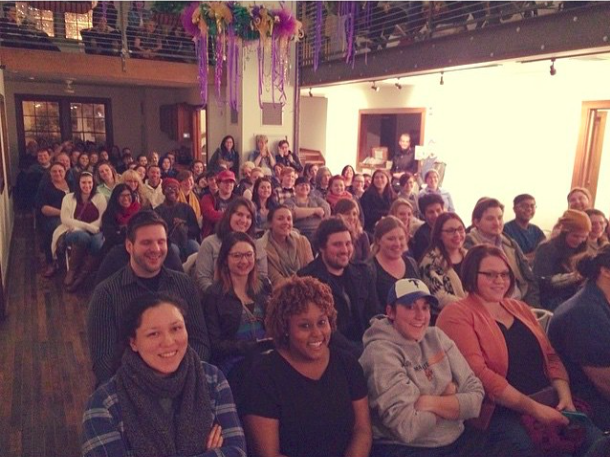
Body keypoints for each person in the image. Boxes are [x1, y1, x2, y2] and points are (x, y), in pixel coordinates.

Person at [437, 245, 601, 457]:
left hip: (547, 399)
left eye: (504, 274)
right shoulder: (455, 314)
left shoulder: (519, 308)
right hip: (500, 411)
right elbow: (479, 374)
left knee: (595, 440)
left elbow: (550, 356)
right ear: (471, 274)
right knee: (529, 449)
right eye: (490, 274)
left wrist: (565, 398)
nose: (499, 280)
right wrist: (535, 409)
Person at [81, 293, 247, 457]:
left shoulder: (212, 379)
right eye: (153, 333)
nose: (168, 342)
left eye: (176, 328)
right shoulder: (103, 405)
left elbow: (237, 451)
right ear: (133, 342)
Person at [242, 276, 372, 457]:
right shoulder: (263, 377)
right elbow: (268, 454)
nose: (317, 333)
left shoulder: (348, 364)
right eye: (305, 326)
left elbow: (362, 430)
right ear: (285, 328)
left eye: (322, 322)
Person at [360, 279, 486, 457]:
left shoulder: (436, 336)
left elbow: (476, 398)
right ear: (390, 312)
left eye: (425, 307)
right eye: (410, 307)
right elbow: (407, 427)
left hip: (457, 439)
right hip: (408, 448)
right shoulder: (379, 353)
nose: (420, 315)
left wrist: (430, 402)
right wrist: (450, 396)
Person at [87, 210, 210, 386]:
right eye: (146, 242)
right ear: (129, 246)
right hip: (129, 388)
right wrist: (152, 384)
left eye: (161, 242)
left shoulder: (184, 285)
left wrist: (178, 376)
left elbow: (200, 341)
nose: (156, 249)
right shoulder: (106, 294)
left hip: (183, 381)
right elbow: (104, 362)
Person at [548, 246, 610, 430]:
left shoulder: (600, 300)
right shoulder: (583, 313)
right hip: (589, 402)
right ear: (606, 271)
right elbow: (605, 383)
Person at [298, 218, 379, 357]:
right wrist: (359, 353)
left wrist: (375, 344)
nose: (345, 250)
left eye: (348, 243)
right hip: (331, 351)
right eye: (337, 244)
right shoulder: (307, 279)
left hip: (367, 345)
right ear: (321, 247)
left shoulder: (364, 272)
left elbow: (374, 314)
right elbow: (323, 329)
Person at [203, 232, 271, 383]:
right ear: (225, 260)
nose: (244, 261)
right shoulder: (213, 295)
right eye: (237, 256)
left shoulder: (263, 286)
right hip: (234, 362)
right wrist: (249, 347)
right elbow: (215, 345)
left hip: (264, 355)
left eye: (248, 255)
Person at [464, 198, 540, 307]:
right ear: (476, 222)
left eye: (500, 218)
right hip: (493, 307)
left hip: (521, 302)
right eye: (490, 219)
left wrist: (532, 306)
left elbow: (529, 277)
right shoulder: (469, 247)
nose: (497, 223)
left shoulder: (509, 243)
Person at [195, 197, 268, 293]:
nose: (243, 220)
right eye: (239, 214)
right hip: (218, 297)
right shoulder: (210, 243)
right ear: (229, 215)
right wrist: (223, 296)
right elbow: (203, 279)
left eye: (248, 217)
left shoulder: (257, 246)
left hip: (250, 296)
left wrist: (245, 295)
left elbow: (262, 277)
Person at [52, 171, 107, 292]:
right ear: (78, 183)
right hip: (73, 231)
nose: (87, 185)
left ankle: (82, 276)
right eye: (84, 182)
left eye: (90, 182)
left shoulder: (99, 197)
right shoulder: (68, 198)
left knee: (98, 244)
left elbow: (102, 218)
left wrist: (89, 228)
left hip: (96, 230)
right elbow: (65, 219)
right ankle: (72, 271)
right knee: (82, 237)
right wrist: (86, 227)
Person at [533, 209, 590, 310]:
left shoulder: (583, 247)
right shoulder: (547, 248)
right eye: (575, 236)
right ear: (564, 232)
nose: (580, 240)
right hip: (552, 298)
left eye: (584, 237)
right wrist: (571, 278)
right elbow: (539, 281)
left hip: (575, 295)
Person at [419, 212, 467, 314]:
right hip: (447, 315)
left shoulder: (469, 255)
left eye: (460, 229)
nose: (457, 235)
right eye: (450, 231)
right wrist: (471, 305)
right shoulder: (431, 261)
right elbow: (439, 298)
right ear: (439, 235)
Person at [367, 216, 420, 308]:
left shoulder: (412, 263)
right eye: (391, 239)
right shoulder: (369, 268)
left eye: (401, 238)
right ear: (378, 241)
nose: (397, 244)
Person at [262, 205, 313, 286]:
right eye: (280, 219)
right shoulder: (263, 248)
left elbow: (312, 272)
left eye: (289, 219)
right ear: (270, 223)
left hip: (307, 288)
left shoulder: (303, 241)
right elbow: (277, 280)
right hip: (280, 291)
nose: (286, 222)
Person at [36, 161, 70, 278]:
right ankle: (51, 262)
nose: (57, 173)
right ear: (50, 173)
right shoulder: (45, 187)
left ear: (65, 171)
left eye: (60, 171)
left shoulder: (72, 183)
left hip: (74, 215)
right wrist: (62, 213)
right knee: (51, 230)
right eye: (54, 171)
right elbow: (44, 208)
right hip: (54, 216)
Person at [155, 178, 200, 262]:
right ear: (163, 191)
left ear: (179, 191)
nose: (172, 191)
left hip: (187, 240)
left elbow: (196, 230)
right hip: (169, 242)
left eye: (175, 188)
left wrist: (184, 226)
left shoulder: (187, 208)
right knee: (173, 250)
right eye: (169, 188)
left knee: (195, 247)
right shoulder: (158, 211)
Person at [284, 176, 330, 243]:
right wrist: (315, 211)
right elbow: (293, 213)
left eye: (306, 185)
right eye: (301, 185)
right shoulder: (289, 201)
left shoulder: (316, 199)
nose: (304, 187)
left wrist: (303, 212)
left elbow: (326, 210)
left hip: (319, 230)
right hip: (299, 232)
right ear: (294, 188)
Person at [503, 194, 546, 263]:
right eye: (524, 206)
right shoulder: (506, 229)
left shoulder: (536, 230)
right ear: (514, 209)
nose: (529, 209)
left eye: (532, 206)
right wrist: (534, 255)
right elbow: (512, 259)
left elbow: (544, 252)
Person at [101, 184, 141, 255]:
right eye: (122, 195)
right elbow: (111, 237)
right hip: (113, 250)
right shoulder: (109, 214)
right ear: (116, 197)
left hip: (137, 249)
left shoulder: (140, 211)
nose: (125, 198)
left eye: (128, 195)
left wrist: (121, 231)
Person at [200, 169, 238, 239]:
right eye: (225, 182)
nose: (229, 184)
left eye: (231, 182)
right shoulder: (207, 198)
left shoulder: (238, 200)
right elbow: (211, 215)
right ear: (218, 183)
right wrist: (232, 217)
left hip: (234, 235)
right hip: (213, 235)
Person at [411, 193, 445, 262]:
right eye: (431, 212)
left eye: (438, 210)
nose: (436, 215)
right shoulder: (421, 235)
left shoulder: (450, 227)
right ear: (424, 215)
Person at [360, 169, 395, 235]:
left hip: (390, 225)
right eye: (376, 177)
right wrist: (382, 217)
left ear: (387, 180)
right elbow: (366, 214)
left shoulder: (393, 195)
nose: (379, 180)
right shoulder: (367, 195)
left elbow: (395, 212)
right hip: (372, 227)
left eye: (382, 177)